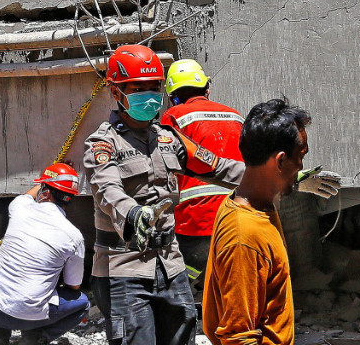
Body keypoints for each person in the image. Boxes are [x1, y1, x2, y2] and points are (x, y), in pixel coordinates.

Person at [83, 44, 245, 345]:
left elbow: (220, 168)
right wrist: (134, 213)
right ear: (116, 92)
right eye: (138, 88)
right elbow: (107, 190)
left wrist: (282, 176)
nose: (149, 95)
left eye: (154, 87)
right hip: (122, 268)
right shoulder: (103, 144)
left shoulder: (170, 139)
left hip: (171, 263)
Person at [202, 98, 310, 345]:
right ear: (280, 161)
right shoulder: (245, 235)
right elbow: (237, 338)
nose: (301, 166)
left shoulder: (255, 203)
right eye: (300, 157)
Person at [159, 59, 244, 303]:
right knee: (231, 274)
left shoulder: (174, 115)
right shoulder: (235, 116)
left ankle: (178, 311)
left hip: (197, 216)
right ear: (207, 88)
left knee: (179, 276)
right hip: (238, 211)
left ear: (173, 96)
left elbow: (165, 161)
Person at [0, 163, 90, 345]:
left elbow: (28, 195)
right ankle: (35, 339)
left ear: (45, 191)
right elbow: (73, 286)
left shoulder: (20, 208)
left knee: (9, 279)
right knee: (82, 303)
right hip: (26, 315)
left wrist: (50, 177)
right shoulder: (74, 237)